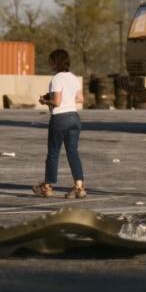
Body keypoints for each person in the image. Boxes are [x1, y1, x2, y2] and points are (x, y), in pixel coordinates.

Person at [33, 49, 86, 199]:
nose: (50, 64)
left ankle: (47, 187)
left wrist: (44, 101)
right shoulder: (73, 78)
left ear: (56, 62)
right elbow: (80, 99)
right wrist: (67, 99)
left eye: (51, 61)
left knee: (53, 153)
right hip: (74, 118)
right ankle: (79, 187)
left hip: (60, 119)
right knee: (73, 152)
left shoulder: (56, 78)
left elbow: (56, 102)